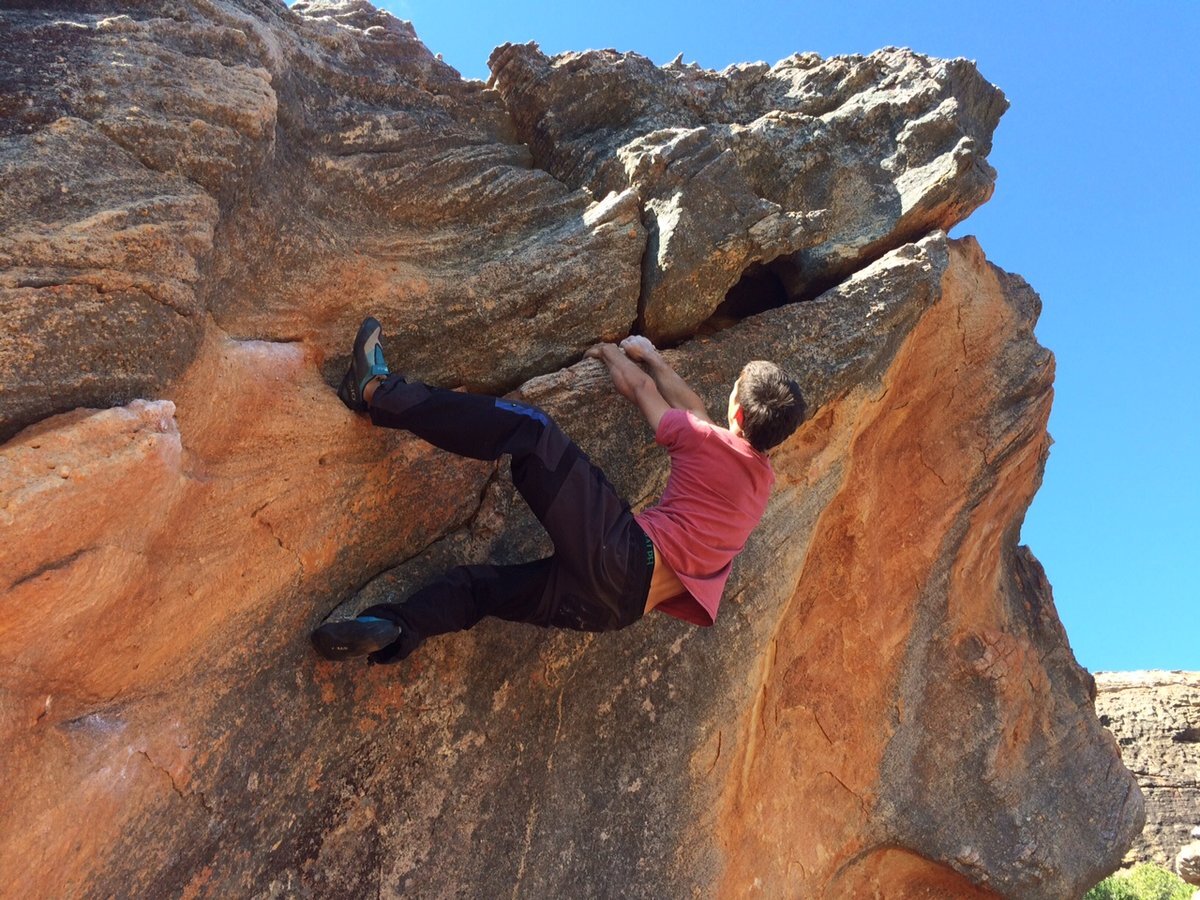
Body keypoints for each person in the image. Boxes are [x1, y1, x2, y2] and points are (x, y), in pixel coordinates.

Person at [311, 317, 806, 664]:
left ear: (736, 413)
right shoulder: (759, 485)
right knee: (479, 591)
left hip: (623, 554)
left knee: (532, 431)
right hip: (615, 609)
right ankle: (393, 628)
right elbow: (695, 411)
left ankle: (376, 391)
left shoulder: (706, 440)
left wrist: (611, 352)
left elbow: (643, 394)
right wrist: (652, 356)